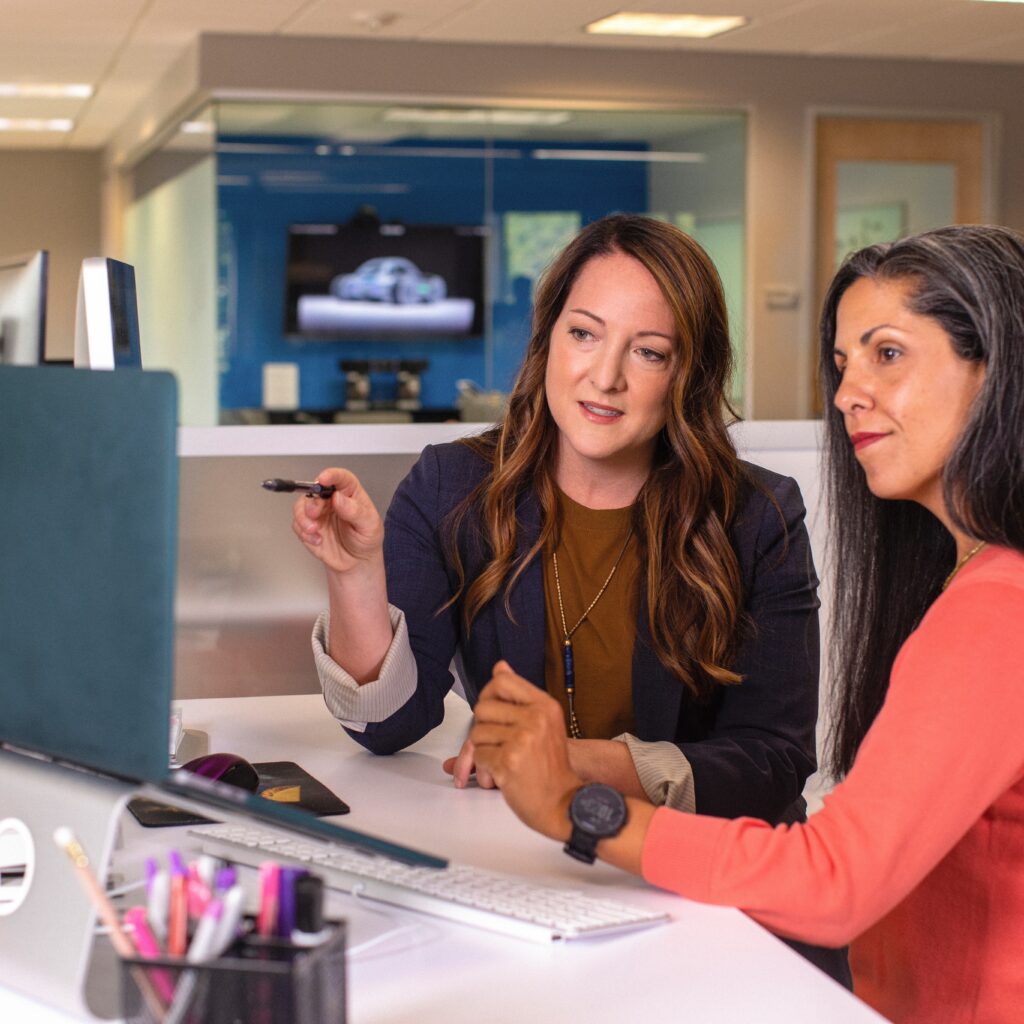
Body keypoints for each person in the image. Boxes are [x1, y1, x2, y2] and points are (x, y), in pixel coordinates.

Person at [470, 224, 1024, 1024]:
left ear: (997, 368)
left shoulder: (996, 612)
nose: (847, 394)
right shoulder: (973, 581)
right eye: (841, 365)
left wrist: (575, 809)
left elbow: (832, 883)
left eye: (888, 354)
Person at [293, 214, 847, 980]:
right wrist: (354, 573)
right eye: (585, 334)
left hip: (709, 895)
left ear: (689, 374)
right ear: (548, 337)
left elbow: (774, 762)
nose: (605, 376)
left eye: (648, 352)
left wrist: (574, 767)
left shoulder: (757, 514)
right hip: (534, 883)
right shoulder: (453, 487)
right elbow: (389, 725)